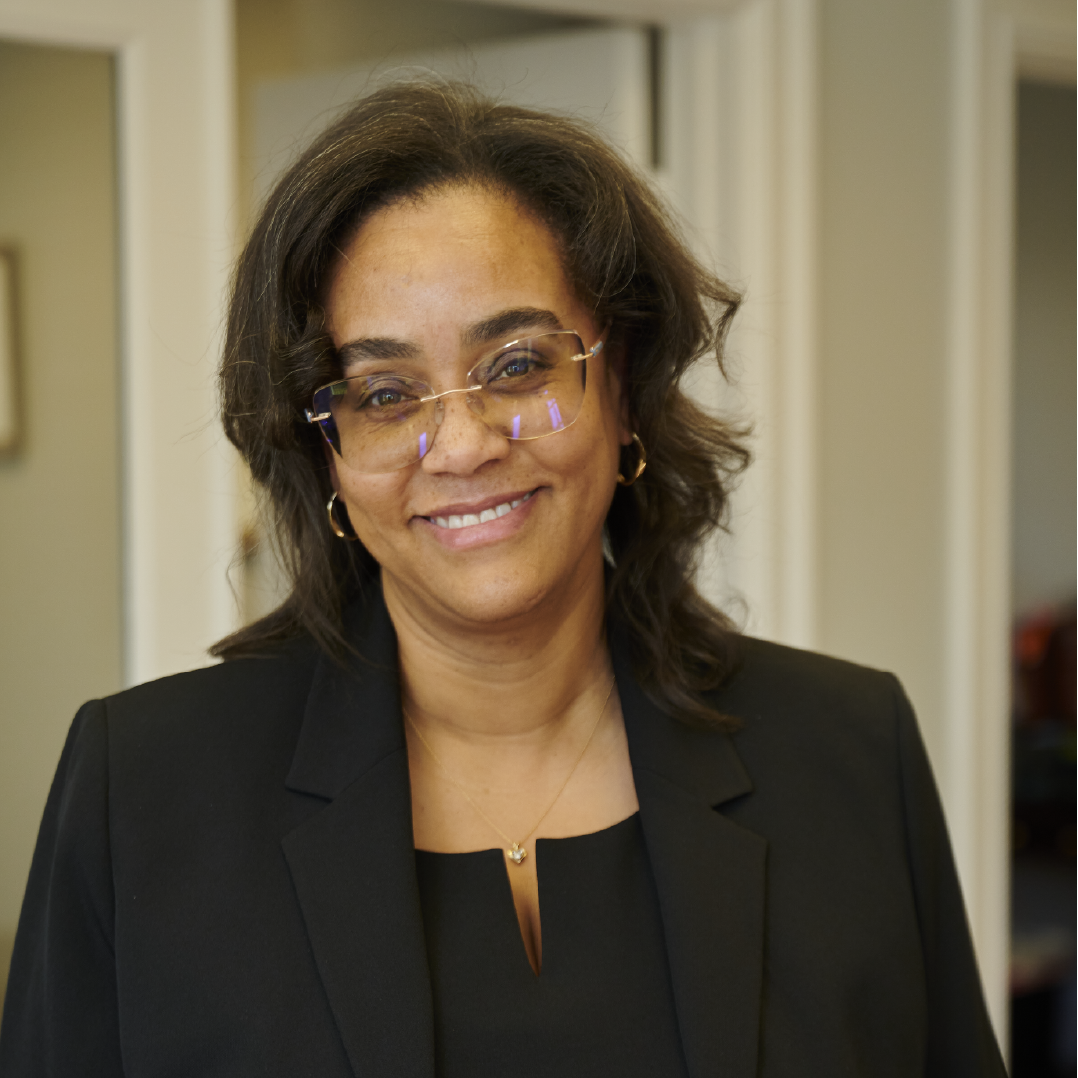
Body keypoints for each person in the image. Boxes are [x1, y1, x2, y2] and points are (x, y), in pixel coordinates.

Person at [0, 81, 1005, 1078]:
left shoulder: (847, 750)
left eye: (518, 364)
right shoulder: (141, 795)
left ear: (623, 394)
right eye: (385, 393)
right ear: (327, 461)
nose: (464, 443)